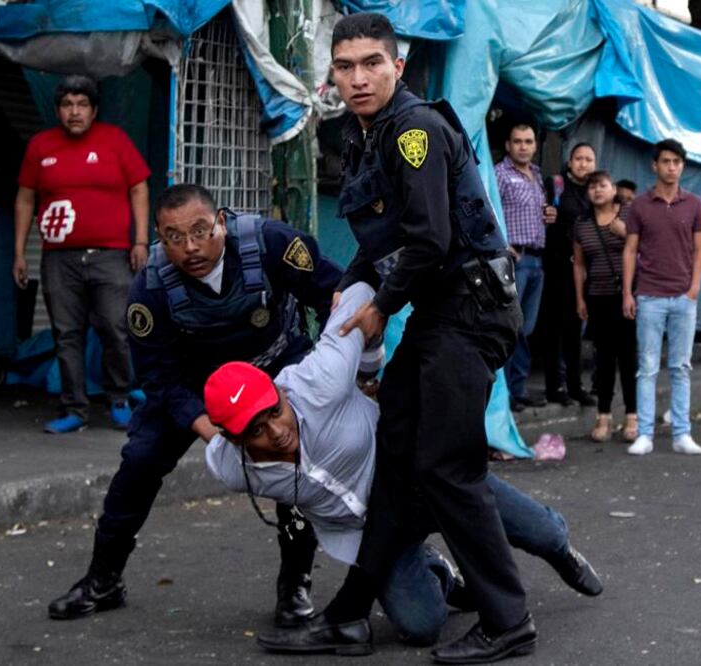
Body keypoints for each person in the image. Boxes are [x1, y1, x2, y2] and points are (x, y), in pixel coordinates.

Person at [273, 14, 534, 664]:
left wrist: (380, 307)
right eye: (344, 66)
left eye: (371, 64)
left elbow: (430, 239)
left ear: (397, 65)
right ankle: (349, 615)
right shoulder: (367, 135)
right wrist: (355, 281)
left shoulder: (412, 129)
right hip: (440, 310)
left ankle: (508, 620)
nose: (357, 78)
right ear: (331, 74)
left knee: (448, 467)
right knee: (395, 459)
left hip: (468, 309)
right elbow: (382, 238)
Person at [204, 284, 600, 652]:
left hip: (415, 476)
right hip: (372, 534)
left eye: (276, 412)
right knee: (422, 625)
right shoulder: (230, 467)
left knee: (540, 533)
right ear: (235, 438)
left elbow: (358, 294)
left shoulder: (317, 382)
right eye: (257, 430)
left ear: (280, 393)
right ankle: (438, 571)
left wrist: (371, 340)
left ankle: (561, 546)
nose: (277, 431)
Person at [46, 184, 343, 629]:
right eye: (174, 237)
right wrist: (213, 433)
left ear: (220, 222)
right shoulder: (149, 288)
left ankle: (294, 584)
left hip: (276, 369)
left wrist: (329, 373)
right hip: (196, 387)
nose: (190, 247)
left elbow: (332, 294)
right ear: (160, 240)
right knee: (140, 461)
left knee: (293, 464)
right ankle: (103, 579)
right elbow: (159, 377)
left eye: (201, 231)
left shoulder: (271, 243)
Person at [13, 75, 150, 434]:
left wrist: (139, 241)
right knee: (66, 333)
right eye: (67, 104)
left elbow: (139, 188)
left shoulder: (114, 141)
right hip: (59, 258)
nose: (75, 112)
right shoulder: (41, 147)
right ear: (58, 110)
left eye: (82, 104)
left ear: (94, 110)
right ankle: (74, 408)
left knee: (116, 328)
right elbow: (25, 199)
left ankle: (119, 398)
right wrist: (19, 253)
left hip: (111, 255)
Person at [622, 138, 701, 457]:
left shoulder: (694, 204)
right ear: (654, 165)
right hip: (649, 296)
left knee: (681, 366)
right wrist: (628, 293)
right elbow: (630, 250)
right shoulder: (640, 206)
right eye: (666, 162)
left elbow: (700, 249)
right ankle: (645, 433)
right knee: (646, 367)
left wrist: (694, 287)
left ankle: (682, 433)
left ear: (683, 166)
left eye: (677, 162)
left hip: (684, 296)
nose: (672, 167)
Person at [495, 124, 556, 412]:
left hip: (536, 260)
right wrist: (502, 244)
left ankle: (517, 389)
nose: (523, 146)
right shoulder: (500, 174)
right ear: (508, 145)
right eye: (517, 141)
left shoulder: (537, 176)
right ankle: (505, 393)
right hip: (515, 260)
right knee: (510, 328)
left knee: (525, 329)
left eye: (528, 141)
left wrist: (549, 215)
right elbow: (488, 210)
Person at [572, 171, 636, 442]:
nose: (597, 190)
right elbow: (578, 263)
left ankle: (633, 416)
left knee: (629, 357)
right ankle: (604, 417)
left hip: (628, 295)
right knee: (604, 358)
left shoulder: (629, 215)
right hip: (598, 297)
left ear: (613, 189)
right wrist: (580, 298)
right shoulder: (582, 223)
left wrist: (624, 233)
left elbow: (645, 249)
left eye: (603, 185)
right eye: (592, 186)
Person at [540, 143, 598, 407]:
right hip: (558, 267)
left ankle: (576, 385)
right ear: (570, 161)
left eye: (588, 159)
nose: (583, 164)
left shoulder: (597, 192)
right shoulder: (555, 186)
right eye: (579, 158)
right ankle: (555, 386)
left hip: (585, 272)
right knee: (554, 329)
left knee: (576, 328)